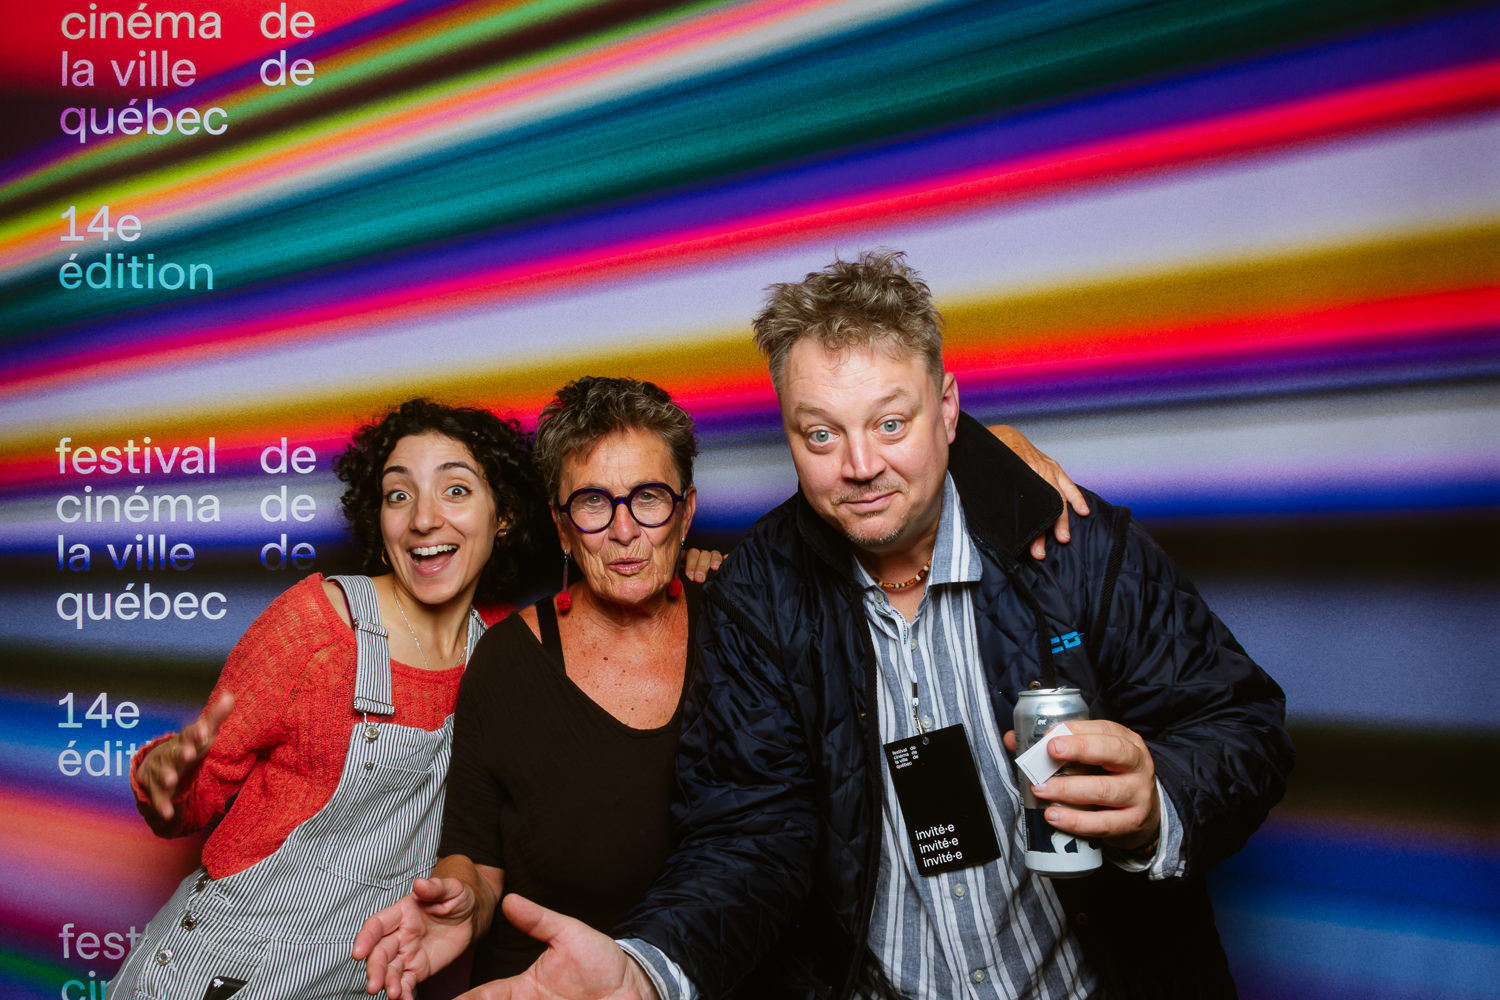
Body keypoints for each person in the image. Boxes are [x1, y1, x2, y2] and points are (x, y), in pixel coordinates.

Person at [459, 251, 1295, 1000]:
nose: (860, 466)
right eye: (821, 433)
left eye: (890, 423)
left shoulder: (1068, 544)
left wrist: (1159, 801)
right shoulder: (760, 597)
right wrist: (650, 970)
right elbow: (750, 831)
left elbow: (1240, 723)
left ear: (947, 409)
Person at [353, 378, 1086, 999]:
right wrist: (462, 899)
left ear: (687, 509)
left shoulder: (750, 622)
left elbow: (871, 508)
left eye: (649, 497)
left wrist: (987, 456)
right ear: (562, 526)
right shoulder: (509, 661)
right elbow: (474, 855)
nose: (624, 531)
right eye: (593, 503)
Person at [107, 398, 548, 1000]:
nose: (423, 518)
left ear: (505, 515)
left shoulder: (499, 649)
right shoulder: (314, 627)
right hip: (221, 971)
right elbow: (191, 798)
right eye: (399, 495)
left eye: (455, 490)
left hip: (364, 979)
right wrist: (165, 781)